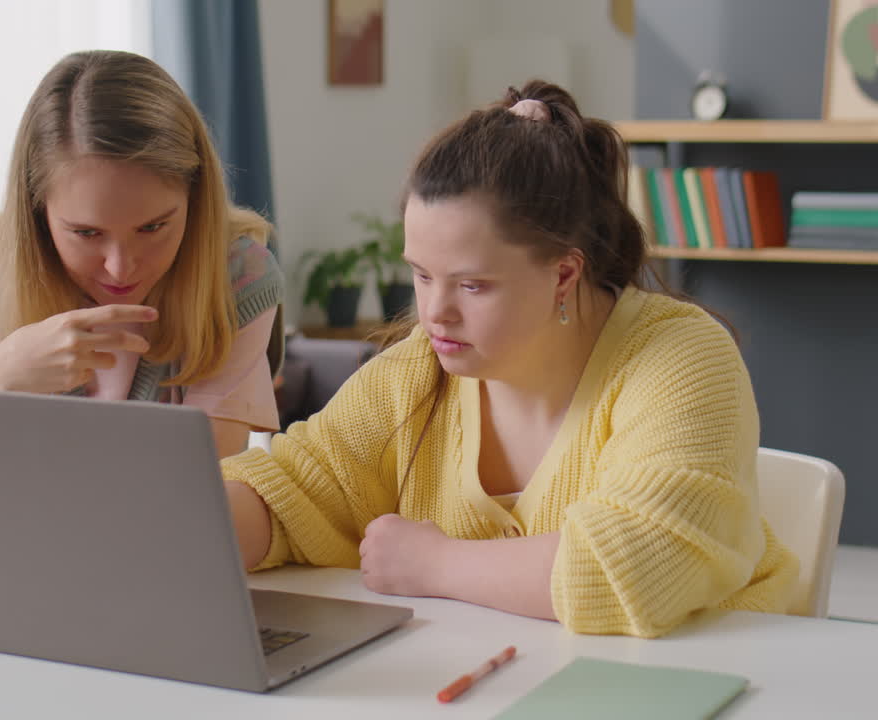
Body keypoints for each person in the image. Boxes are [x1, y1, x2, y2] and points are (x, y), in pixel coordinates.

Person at [219, 81, 798, 638]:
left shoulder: (682, 358)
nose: (434, 314)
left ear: (564, 274)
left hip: (717, 679)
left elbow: (638, 565)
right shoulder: (417, 370)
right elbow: (299, 489)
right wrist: (193, 525)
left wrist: (436, 564)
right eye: (421, 275)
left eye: (472, 286)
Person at [0, 50, 283, 457]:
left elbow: (202, 487)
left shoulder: (237, 275)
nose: (120, 266)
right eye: (87, 233)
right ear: (38, 214)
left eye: (153, 227)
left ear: (195, 200)